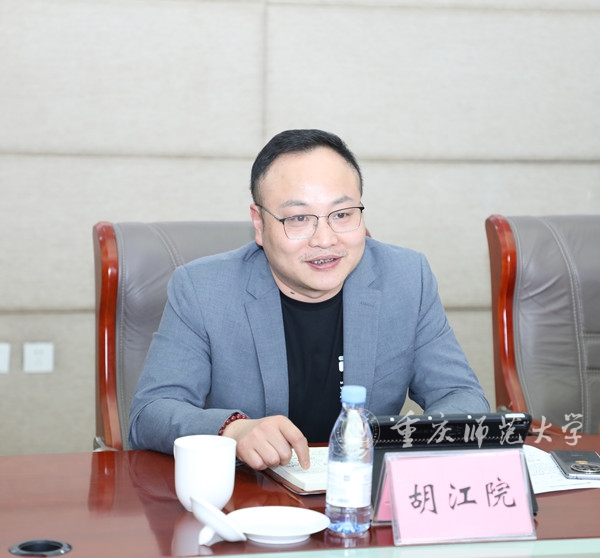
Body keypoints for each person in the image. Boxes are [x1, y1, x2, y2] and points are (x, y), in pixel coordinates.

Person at [128, 129, 489, 470]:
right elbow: (150, 413)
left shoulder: (406, 278)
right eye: (299, 218)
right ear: (259, 224)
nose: (325, 239)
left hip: (362, 492)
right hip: (252, 497)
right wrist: (233, 430)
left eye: (342, 215)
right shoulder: (203, 289)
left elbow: (461, 396)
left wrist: (412, 448)